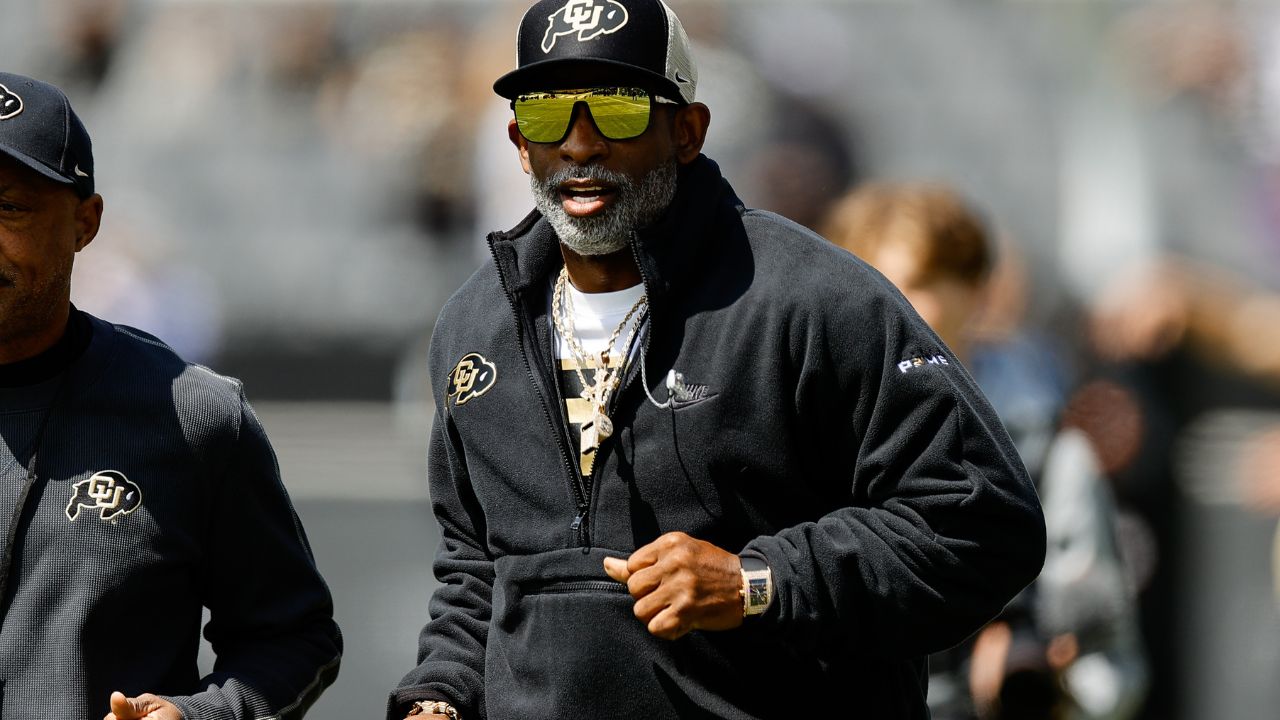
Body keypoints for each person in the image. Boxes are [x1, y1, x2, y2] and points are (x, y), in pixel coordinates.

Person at [388, 2, 1045, 719]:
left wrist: (757, 582)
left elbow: (982, 520)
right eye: (548, 115)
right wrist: (441, 693)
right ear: (518, 142)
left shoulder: (814, 299)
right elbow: (480, 567)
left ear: (687, 131)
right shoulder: (473, 328)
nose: (580, 143)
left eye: (617, 108)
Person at [0, 73, 341, 719]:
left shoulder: (192, 415)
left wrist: (202, 715)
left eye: (9, 206)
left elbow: (295, 638)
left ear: (85, 223)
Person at [822, 182, 1147, 720]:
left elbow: (1110, 671)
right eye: (869, 283)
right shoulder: (813, 445)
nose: (890, 305)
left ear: (974, 289)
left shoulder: (1046, 456)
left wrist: (1049, 680)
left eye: (919, 282)